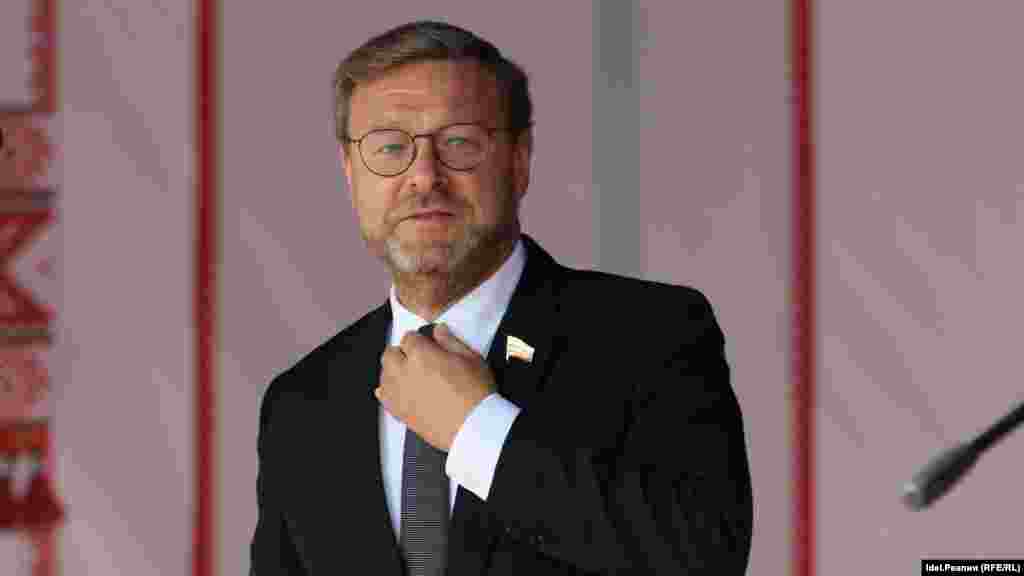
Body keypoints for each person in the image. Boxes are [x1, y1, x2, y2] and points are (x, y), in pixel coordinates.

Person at [251, 20, 752, 575]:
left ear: (519, 159)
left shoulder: (650, 336)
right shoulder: (302, 404)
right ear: (350, 174)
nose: (424, 177)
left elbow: (703, 555)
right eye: (389, 147)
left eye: (459, 143)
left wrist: (476, 429)